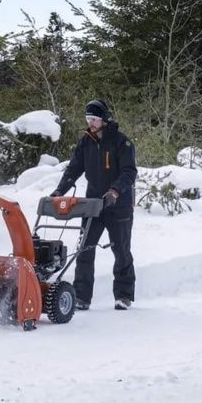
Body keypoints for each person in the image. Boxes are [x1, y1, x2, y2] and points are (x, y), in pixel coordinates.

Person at [51, 99, 137, 310]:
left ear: (105, 119)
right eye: (88, 119)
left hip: (118, 206)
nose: (91, 123)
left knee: (121, 250)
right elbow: (73, 169)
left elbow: (129, 172)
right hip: (92, 205)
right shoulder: (86, 142)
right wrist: (59, 191)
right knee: (85, 250)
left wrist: (115, 191)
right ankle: (81, 297)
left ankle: (123, 295)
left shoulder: (121, 142)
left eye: (95, 119)